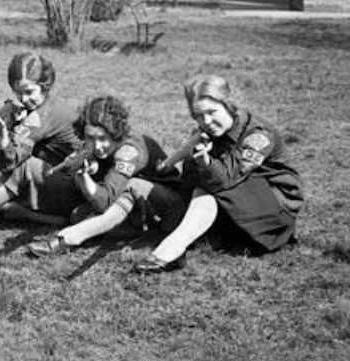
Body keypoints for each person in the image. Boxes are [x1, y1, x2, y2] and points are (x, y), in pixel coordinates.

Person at [130, 74, 304, 274]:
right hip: (240, 202)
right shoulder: (210, 130)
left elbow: (226, 180)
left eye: (212, 112)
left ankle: (172, 249)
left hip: (275, 209)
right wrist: (171, 163)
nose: (207, 121)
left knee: (208, 184)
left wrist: (205, 162)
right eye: (198, 115)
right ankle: (183, 234)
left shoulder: (257, 134)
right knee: (198, 180)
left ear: (229, 104)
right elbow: (189, 152)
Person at [23, 95, 188, 258]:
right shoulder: (94, 146)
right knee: (78, 214)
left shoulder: (129, 151)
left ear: (116, 134)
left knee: (129, 188)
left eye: (103, 138)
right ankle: (135, 229)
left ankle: (67, 238)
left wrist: (83, 176)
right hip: (130, 201)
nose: (97, 146)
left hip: (167, 204)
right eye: (90, 138)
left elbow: (104, 202)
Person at [0, 51, 82, 243]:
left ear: (45, 86)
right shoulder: (40, 109)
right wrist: (7, 131)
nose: (24, 99)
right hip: (62, 181)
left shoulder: (42, 115)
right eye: (18, 93)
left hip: (76, 187)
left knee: (22, 168)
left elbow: (10, 163)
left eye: (29, 92)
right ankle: (33, 214)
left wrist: (4, 137)